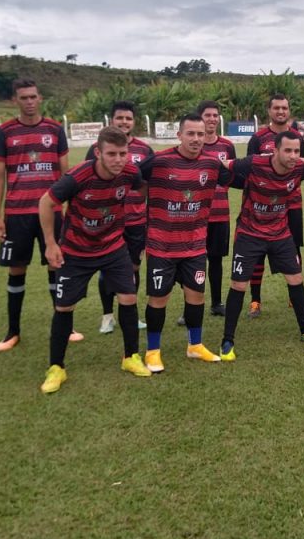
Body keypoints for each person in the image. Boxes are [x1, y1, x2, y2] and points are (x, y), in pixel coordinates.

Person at [38, 126, 149, 394]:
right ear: (98, 152)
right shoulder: (78, 177)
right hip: (76, 251)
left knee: (129, 298)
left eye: (123, 153)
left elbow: (142, 187)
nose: (118, 160)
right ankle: (56, 368)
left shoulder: (130, 172)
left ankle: (131, 357)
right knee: (64, 307)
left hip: (113, 247)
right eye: (112, 154)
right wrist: (51, 244)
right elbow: (45, 202)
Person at [217, 131, 304, 360]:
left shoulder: (299, 168)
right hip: (249, 233)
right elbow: (223, 165)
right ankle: (227, 340)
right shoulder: (254, 163)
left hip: (280, 233)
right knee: (239, 284)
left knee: (296, 278)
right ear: (275, 150)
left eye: (296, 151)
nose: (293, 155)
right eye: (287, 150)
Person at [138, 114, 234, 371]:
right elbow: (132, 177)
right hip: (161, 246)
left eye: (200, 134)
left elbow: (238, 178)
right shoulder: (159, 161)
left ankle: (195, 345)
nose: (196, 139)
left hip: (195, 246)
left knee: (196, 296)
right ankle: (153, 351)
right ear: (179, 135)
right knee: (158, 298)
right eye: (190, 133)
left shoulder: (212, 164)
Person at [0, 78, 78, 352]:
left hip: (51, 211)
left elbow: (65, 173)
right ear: (15, 100)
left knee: (57, 265)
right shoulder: (5, 132)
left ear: (40, 98)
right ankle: (12, 331)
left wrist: (70, 208)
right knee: (17, 269)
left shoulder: (54, 129)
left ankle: (65, 327)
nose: (29, 102)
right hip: (17, 212)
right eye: (23, 97)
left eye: (33, 97)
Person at [85, 101, 153, 334]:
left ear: (134, 122)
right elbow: (88, 182)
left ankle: (131, 314)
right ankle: (107, 316)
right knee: (106, 267)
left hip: (135, 221)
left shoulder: (145, 150)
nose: (124, 122)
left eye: (128, 118)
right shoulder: (96, 149)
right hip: (108, 222)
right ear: (112, 120)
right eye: (120, 118)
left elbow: (149, 185)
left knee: (133, 267)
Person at [244, 94, 304, 318]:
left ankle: (294, 297)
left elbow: (301, 168)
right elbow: (249, 170)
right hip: (262, 206)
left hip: (292, 203)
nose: (281, 111)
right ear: (269, 111)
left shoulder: (296, 138)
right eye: (276, 108)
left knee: (294, 249)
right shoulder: (258, 138)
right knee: (257, 253)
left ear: (289, 111)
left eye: (284, 108)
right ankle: (255, 301)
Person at [197, 100, 237, 317]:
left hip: (220, 213)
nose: (212, 119)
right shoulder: (194, 144)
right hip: (195, 215)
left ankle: (216, 302)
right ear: (200, 118)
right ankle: (191, 305)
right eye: (208, 115)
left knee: (216, 259)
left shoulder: (227, 146)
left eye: (215, 115)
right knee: (193, 261)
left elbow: (233, 174)